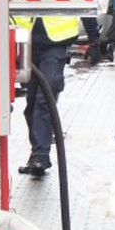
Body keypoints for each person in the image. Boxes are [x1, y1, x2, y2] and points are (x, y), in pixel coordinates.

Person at [12, 15, 80, 176]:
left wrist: (94, 37)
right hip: (24, 39)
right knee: (32, 101)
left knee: (45, 98)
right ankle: (37, 152)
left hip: (56, 42)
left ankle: (40, 156)